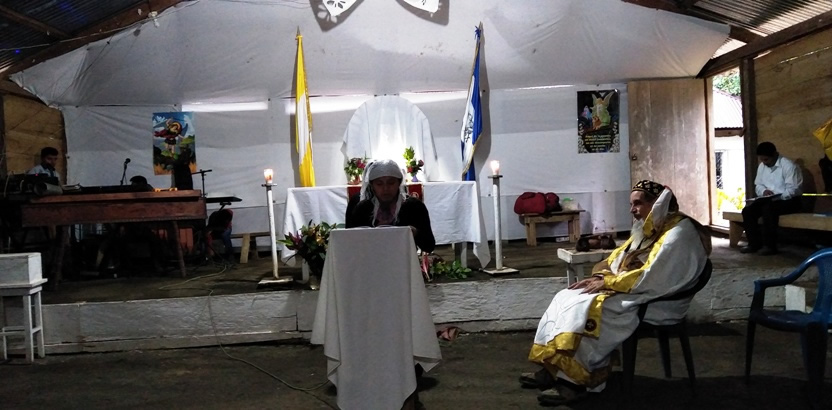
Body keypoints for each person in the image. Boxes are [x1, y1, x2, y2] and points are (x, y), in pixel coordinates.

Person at [520, 180, 711, 406]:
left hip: (657, 301)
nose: (632, 210)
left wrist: (609, 282)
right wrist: (600, 277)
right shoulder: (652, 226)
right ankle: (553, 368)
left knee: (588, 309)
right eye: (631, 204)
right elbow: (620, 256)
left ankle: (574, 383)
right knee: (567, 296)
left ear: (657, 203)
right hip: (638, 290)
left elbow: (654, 277)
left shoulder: (679, 232)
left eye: (637, 204)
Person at [345, 159, 435, 253]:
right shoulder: (363, 209)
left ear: (399, 183)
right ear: (372, 185)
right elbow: (349, 243)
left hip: (404, 258)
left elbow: (429, 246)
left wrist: (415, 233)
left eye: (391, 183)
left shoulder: (414, 207)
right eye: (379, 184)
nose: (385, 188)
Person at [740, 142, 803, 255]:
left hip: (789, 200)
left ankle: (769, 246)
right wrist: (764, 191)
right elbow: (758, 184)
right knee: (748, 211)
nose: (764, 162)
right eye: (762, 159)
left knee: (768, 209)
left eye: (766, 159)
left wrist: (777, 197)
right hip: (769, 200)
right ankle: (753, 244)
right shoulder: (762, 166)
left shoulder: (788, 166)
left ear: (775, 155)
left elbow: (794, 189)